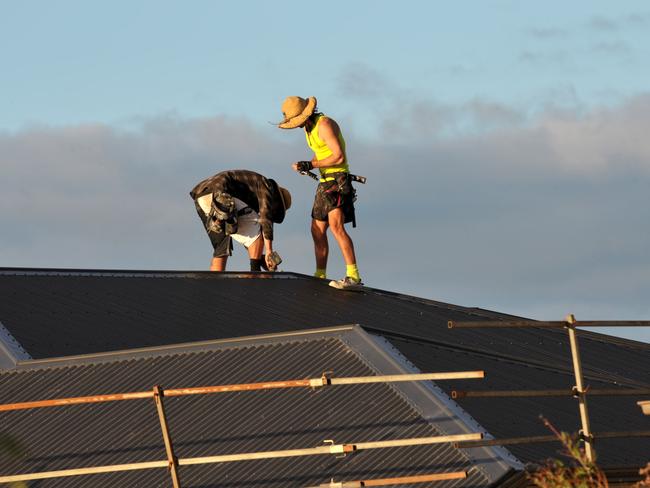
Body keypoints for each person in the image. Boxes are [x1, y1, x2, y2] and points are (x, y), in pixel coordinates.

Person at [277, 96, 362, 291]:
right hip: (325, 182)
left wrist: (312, 164)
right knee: (317, 229)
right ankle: (320, 275)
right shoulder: (309, 129)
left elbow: (338, 155)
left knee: (335, 226)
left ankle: (353, 276)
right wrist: (306, 164)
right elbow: (322, 152)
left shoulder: (325, 124)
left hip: (338, 180)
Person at [190, 169, 291, 272]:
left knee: (221, 249)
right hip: (220, 192)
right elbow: (266, 220)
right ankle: (255, 277)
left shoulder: (251, 195)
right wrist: (269, 250)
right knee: (259, 228)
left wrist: (260, 258)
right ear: (276, 199)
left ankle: (216, 284)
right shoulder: (267, 186)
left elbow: (246, 234)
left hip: (201, 196)